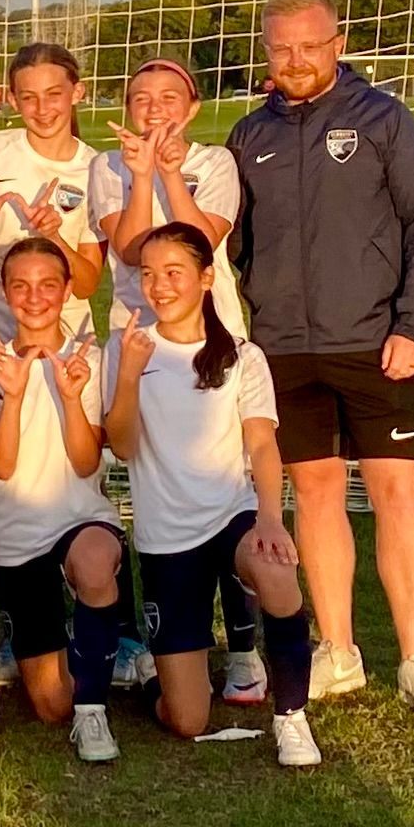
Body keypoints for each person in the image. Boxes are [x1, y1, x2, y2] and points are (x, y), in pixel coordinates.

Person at [227, 0, 414, 720]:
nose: (295, 60)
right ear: (267, 51)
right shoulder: (248, 134)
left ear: (338, 44)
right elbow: (233, 245)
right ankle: (338, 650)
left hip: (376, 341)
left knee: (397, 494)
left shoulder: (384, 119)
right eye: (281, 48)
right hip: (284, 349)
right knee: (316, 496)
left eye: (310, 46)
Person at [105, 223, 321, 767]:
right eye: (148, 274)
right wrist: (128, 376)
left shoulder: (242, 356)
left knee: (275, 569)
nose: (159, 286)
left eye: (173, 272)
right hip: (165, 540)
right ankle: (158, 674)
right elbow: (123, 446)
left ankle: (291, 719)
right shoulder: (126, 349)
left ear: (206, 278)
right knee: (187, 721)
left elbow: (263, 445)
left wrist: (270, 518)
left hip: (231, 515)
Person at [89, 58, 265, 702]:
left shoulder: (215, 163)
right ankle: (147, 636)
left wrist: (168, 172)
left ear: (191, 108)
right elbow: (132, 249)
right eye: (141, 97)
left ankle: (244, 648)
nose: (154, 107)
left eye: (169, 97)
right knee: (155, 480)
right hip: (141, 341)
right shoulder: (106, 166)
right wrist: (141, 176)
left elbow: (201, 237)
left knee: (226, 481)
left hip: (210, 338)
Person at [0, 238, 127, 762]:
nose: (34, 297)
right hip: (19, 538)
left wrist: (71, 397)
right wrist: (12, 396)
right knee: (50, 704)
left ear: (67, 290)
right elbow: (2, 465)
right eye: (21, 286)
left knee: (95, 563)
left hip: (82, 520)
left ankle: (93, 710)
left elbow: (85, 463)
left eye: (47, 285)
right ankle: (95, 648)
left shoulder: (89, 359)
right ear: (4, 292)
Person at [0, 44, 103, 347]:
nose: (42, 109)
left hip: (64, 346)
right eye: (29, 97)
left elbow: (86, 286)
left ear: (77, 92)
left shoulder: (96, 169)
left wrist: (55, 238)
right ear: (13, 100)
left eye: (53, 94)